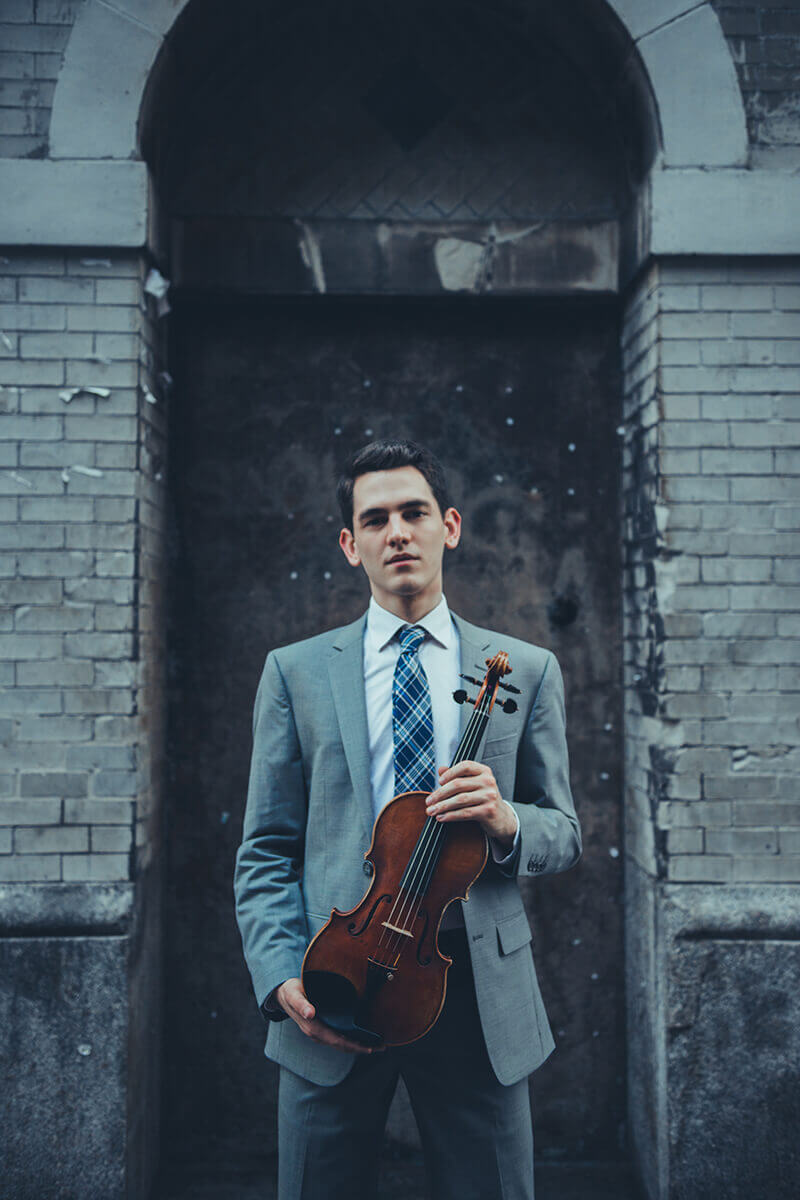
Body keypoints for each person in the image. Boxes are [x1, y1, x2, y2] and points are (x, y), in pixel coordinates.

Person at [234, 439, 581, 1200]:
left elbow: (564, 830)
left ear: (449, 527)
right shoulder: (295, 672)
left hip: (472, 990)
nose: (398, 532)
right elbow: (264, 849)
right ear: (350, 543)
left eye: (414, 512)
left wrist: (505, 820)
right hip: (334, 980)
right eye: (376, 518)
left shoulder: (524, 669)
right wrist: (279, 978)